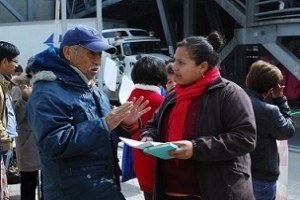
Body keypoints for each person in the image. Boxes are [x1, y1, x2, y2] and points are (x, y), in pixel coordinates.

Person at [25, 24, 150, 200]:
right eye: (91, 53)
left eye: (100, 54)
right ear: (68, 53)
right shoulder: (47, 92)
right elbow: (53, 144)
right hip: (73, 192)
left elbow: (104, 134)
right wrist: (105, 123)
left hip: (104, 186)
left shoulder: (93, 89)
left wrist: (125, 124)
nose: (98, 60)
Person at [140, 31, 257, 200]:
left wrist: (196, 148)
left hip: (217, 193)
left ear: (202, 66)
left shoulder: (229, 94)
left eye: (181, 62)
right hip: (169, 192)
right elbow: (153, 125)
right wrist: (148, 138)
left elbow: (244, 139)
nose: (174, 67)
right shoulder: (173, 95)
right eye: (174, 60)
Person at [244, 60, 295, 200]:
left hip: (235, 172)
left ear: (247, 80)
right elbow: (287, 131)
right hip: (261, 176)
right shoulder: (268, 111)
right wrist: (280, 99)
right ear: (270, 89)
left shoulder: (231, 101)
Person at [121, 56, 167, 200]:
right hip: (159, 165)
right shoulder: (160, 101)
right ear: (160, 79)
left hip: (139, 159)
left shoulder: (131, 97)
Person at [11, 56, 41, 200]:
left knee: (46, 183)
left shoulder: (45, 86)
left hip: (44, 142)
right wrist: (24, 99)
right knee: (29, 182)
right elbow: (15, 117)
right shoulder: (19, 87)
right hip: (28, 142)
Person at [0, 41, 20, 200]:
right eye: (15, 61)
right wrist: (5, 139)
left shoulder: (4, 81)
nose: (16, 66)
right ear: (4, 61)